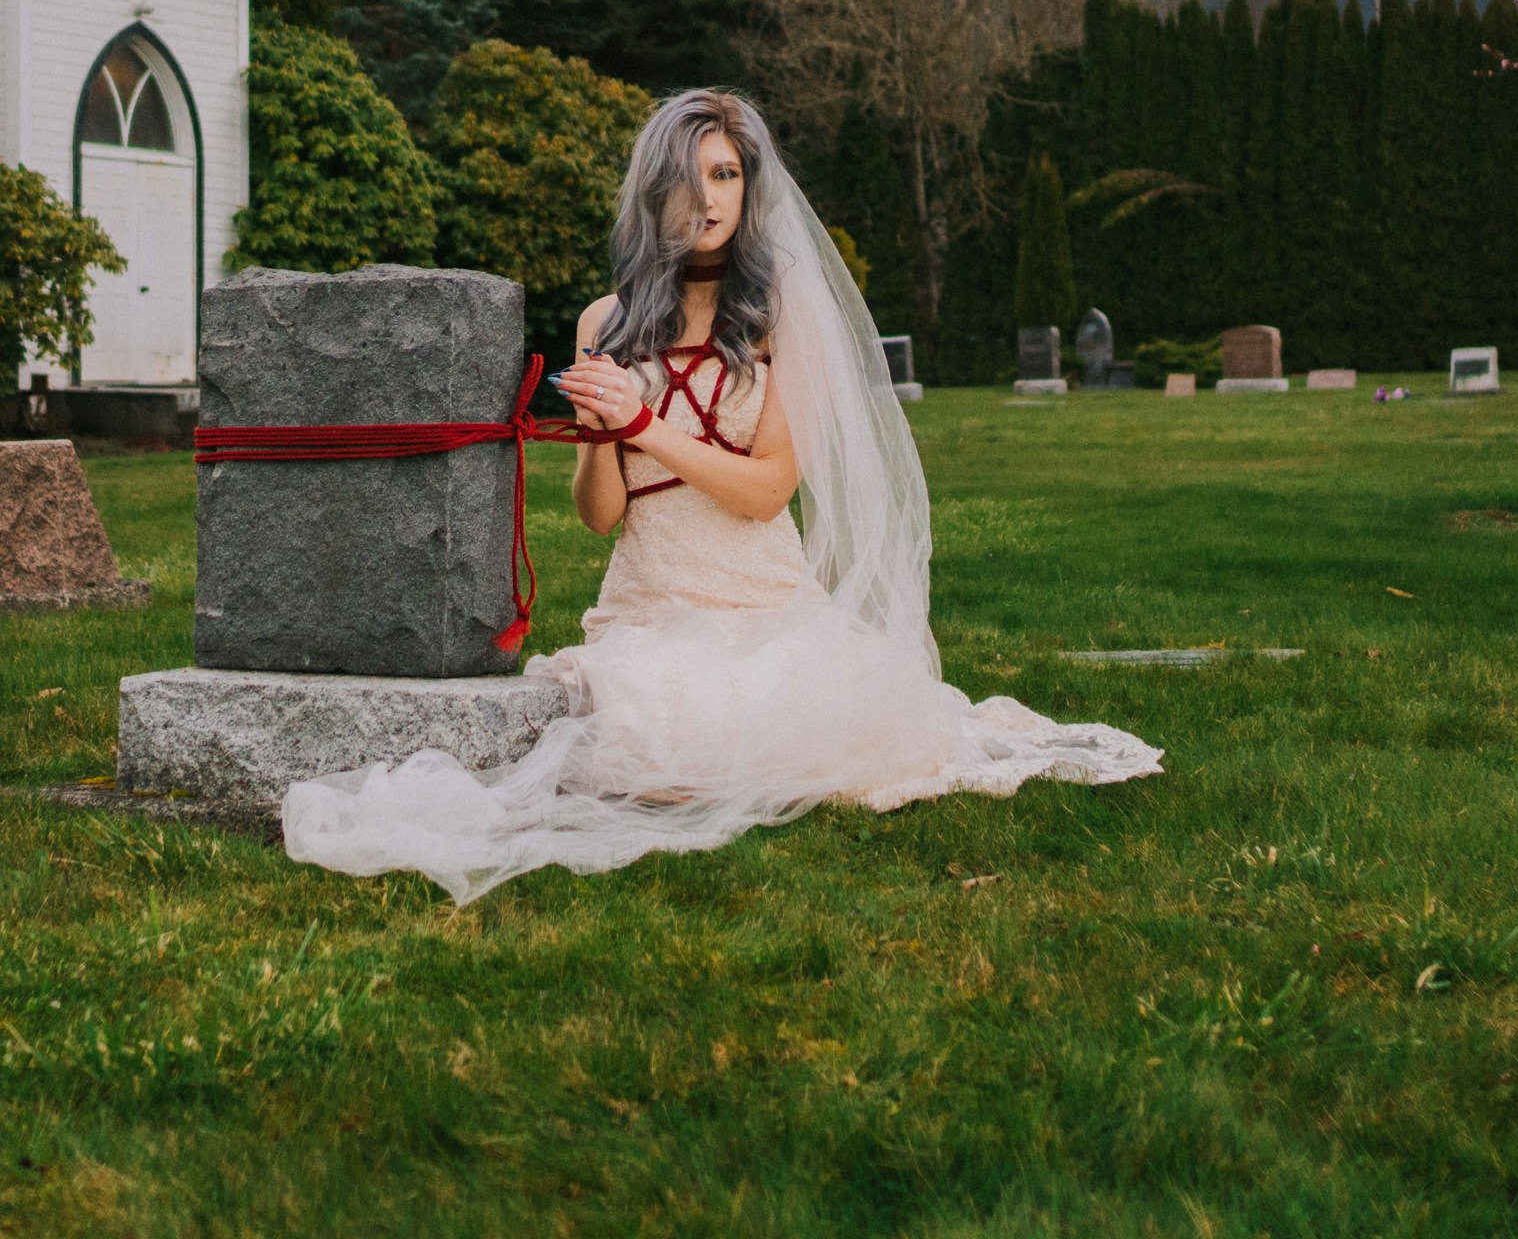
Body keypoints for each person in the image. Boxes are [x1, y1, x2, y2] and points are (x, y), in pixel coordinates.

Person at [281, 90, 1160, 903]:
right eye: (687, 178)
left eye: (725, 174)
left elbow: (768, 489)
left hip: (760, 599)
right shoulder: (605, 320)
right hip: (645, 605)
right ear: (652, 194)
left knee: (763, 742)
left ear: (749, 189)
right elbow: (600, 515)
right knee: (642, 746)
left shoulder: (783, 314)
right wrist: (603, 429)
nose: (707, 198)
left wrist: (648, 423)